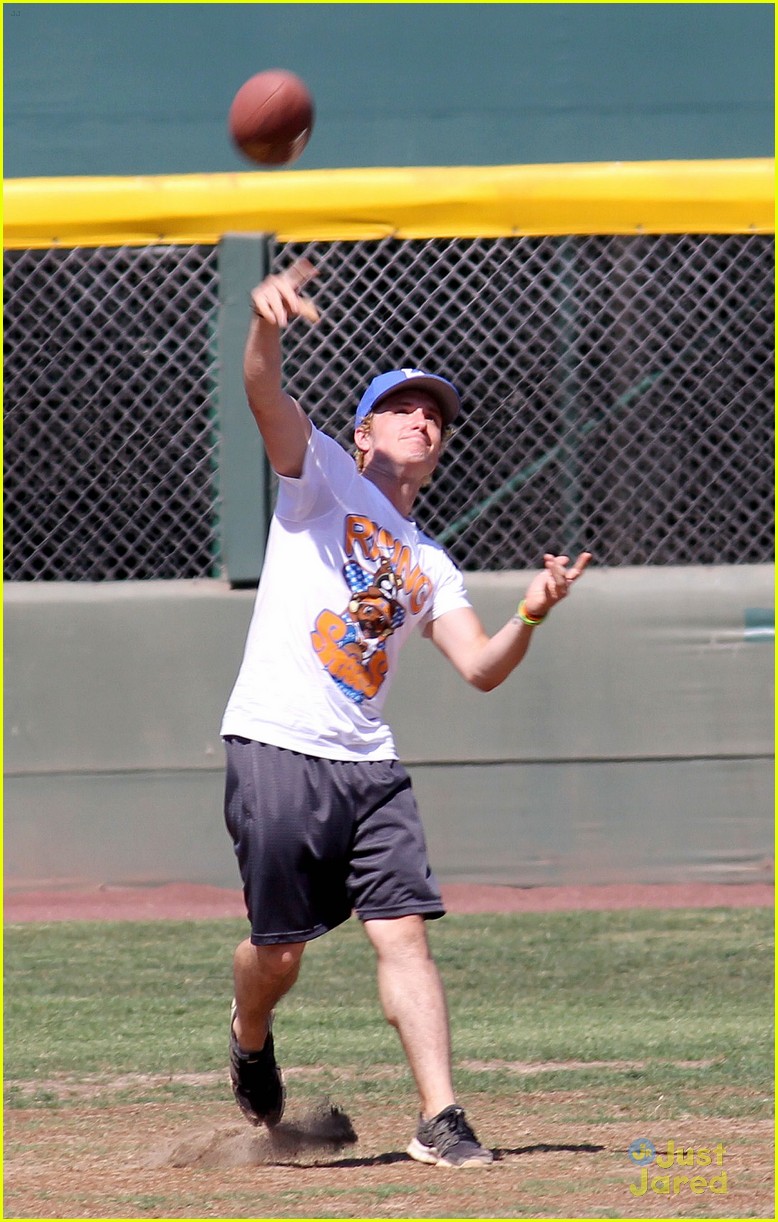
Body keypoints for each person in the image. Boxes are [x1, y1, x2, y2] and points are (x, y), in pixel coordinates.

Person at [221, 257, 591, 1168]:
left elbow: (480, 667)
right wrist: (264, 322)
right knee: (279, 955)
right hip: (277, 744)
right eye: (403, 408)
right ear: (364, 433)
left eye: (435, 415)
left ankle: (440, 1118)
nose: (424, 420)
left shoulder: (431, 561)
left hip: (371, 765)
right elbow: (263, 391)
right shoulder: (320, 477)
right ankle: (249, 1030)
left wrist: (531, 613)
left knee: (406, 936)